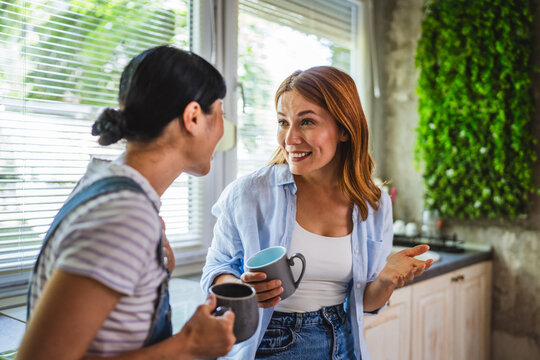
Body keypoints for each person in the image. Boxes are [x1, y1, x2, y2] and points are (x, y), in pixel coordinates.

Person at [17, 45, 236, 360]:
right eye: (221, 115)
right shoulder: (125, 214)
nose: (223, 131)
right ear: (193, 117)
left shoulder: (109, 186)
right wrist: (188, 346)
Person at [201, 66, 433, 360]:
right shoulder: (249, 193)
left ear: (345, 130)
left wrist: (386, 279)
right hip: (273, 344)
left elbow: (364, 302)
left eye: (307, 122)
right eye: (283, 122)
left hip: (346, 345)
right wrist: (241, 289)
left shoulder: (374, 205)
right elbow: (214, 270)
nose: (290, 138)